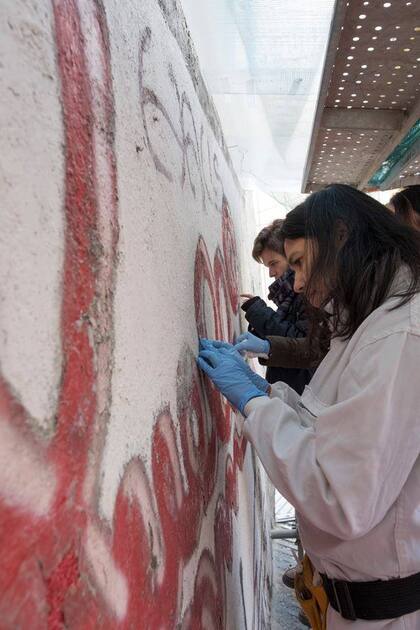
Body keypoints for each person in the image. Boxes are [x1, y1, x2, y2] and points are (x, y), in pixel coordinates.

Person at [198, 184, 420, 629]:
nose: (296, 283)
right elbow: (329, 430)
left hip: (386, 613)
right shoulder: (367, 323)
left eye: (298, 263)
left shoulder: (397, 335)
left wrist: (257, 404)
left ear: (340, 236)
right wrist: (268, 396)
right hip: (352, 600)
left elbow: (342, 500)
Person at [240, 219, 315, 394]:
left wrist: (258, 312)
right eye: (267, 266)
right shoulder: (287, 297)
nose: (271, 273)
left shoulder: (311, 293)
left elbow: (301, 343)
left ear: (291, 257)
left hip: (301, 396)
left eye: (274, 263)